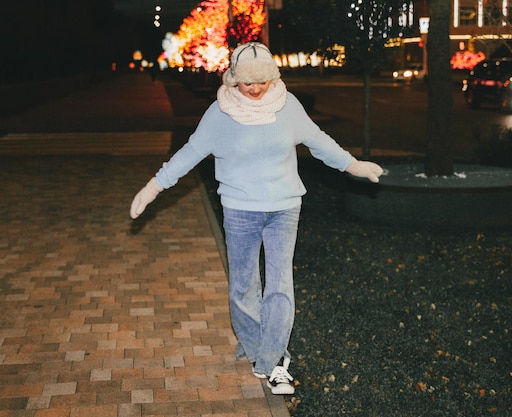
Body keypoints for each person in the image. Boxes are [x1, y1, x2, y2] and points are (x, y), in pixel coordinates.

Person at [129, 42, 383, 395]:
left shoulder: (287, 106)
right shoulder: (220, 114)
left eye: (263, 81)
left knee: (280, 286)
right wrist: (154, 186)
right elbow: (189, 153)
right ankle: (255, 344)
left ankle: (274, 361)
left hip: (284, 207)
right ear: (233, 78)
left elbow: (318, 141)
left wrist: (353, 165)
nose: (256, 88)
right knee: (243, 287)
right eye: (248, 82)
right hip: (240, 210)